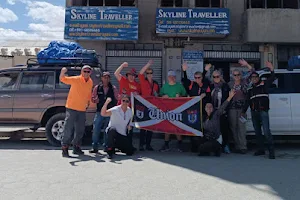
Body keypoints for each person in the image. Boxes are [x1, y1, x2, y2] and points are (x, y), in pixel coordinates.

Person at [242, 61, 276, 159]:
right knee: (257, 132)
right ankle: (261, 150)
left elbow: (272, 78)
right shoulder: (250, 89)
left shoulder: (264, 85)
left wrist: (271, 69)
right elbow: (248, 101)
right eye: (252, 78)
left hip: (263, 111)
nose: (254, 79)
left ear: (259, 78)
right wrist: (243, 112)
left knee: (266, 131)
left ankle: (271, 151)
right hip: (254, 112)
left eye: (256, 77)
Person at [60, 65, 93, 157]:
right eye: (84, 71)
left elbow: (88, 94)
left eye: (88, 71)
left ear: (90, 73)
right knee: (68, 128)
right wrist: (63, 71)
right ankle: (65, 148)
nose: (86, 73)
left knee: (80, 130)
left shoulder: (90, 82)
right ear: (81, 72)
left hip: (82, 109)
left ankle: (76, 147)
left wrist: (88, 103)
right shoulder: (76, 79)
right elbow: (62, 79)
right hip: (71, 108)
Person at [181, 62, 211, 152]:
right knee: (193, 128)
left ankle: (202, 146)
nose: (197, 79)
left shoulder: (206, 85)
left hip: (203, 111)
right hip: (193, 111)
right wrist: (184, 71)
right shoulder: (191, 84)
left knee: (203, 128)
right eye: (195, 77)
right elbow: (185, 81)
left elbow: (209, 97)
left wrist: (205, 94)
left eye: (199, 77)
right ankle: (193, 147)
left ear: (202, 78)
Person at [198, 90, 236, 157]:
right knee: (199, 145)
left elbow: (223, 106)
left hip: (216, 138)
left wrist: (230, 97)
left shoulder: (216, 114)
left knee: (207, 145)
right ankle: (207, 151)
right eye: (207, 107)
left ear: (213, 108)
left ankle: (217, 149)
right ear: (205, 109)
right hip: (207, 137)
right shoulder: (203, 118)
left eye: (211, 107)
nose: (209, 108)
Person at [227, 59, 254, 154]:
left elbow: (252, 73)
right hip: (232, 109)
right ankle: (237, 146)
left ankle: (243, 147)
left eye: (238, 74)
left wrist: (247, 64)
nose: (237, 76)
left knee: (242, 128)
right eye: (235, 75)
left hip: (242, 109)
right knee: (233, 128)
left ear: (241, 75)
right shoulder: (229, 84)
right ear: (232, 76)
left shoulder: (244, 82)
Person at [204, 65, 231, 154]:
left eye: (218, 76)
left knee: (224, 128)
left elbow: (229, 98)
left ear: (221, 77)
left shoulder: (225, 86)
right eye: (214, 76)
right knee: (214, 129)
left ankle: (225, 145)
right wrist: (205, 70)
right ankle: (215, 145)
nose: (216, 78)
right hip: (212, 111)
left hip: (222, 110)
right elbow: (203, 81)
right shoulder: (210, 86)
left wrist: (226, 109)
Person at [89, 72, 118, 154]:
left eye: (108, 77)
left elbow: (117, 98)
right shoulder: (97, 88)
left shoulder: (113, 88)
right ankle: (94, 147)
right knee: (96, 129)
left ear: (109, 79)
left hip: (109, 112)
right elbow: (93, 98)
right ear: (101, 78)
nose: (106, 79)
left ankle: (106, 146)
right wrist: (95, 99)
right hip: (99, 112)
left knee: (107, 130)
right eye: (104, 77)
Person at [114, 62, 140, 151]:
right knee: (118, 127)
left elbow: (140, 98)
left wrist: (137, 95)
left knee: (129, 128)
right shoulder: (123, 80)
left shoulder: (137, 85)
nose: (131, 76)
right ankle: (117, 146)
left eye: (133, 75)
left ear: (135, 76)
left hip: (131, 110)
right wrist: (122, 66)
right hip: (120, 108)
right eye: (129, 74)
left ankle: (129, 145)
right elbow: (116, 73)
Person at [159, 70, 187, 152]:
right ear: (168, 77)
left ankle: (180, 144)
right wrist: (163, 96)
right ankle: (166, 144)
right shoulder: (164, 86)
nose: (172, 78)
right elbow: (159, 97)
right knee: (167, 128)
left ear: (175, 77)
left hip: (178, 110)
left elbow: (186, 96)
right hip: (167, 110)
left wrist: (180, 96)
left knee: (177, 127)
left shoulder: (180, 86)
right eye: (170, 76)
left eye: (173, 76)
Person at [101, 95, 134, 159]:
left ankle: (117, 147)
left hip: (122, 135)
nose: (125, 102)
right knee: (112, 130)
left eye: (127, 101)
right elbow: (103, 114)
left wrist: (129, 126)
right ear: (121, 101)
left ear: (129, 102)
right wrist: (106, 103)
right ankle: (109, 151)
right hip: (113, 133)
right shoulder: (115, 109)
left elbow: (130, 123)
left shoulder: (130, 111)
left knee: (130, 152)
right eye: (123, 100)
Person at [138, 60, 160, 151]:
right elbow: (140, 73)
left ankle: (148, 144)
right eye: (148, 73)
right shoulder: (143, 81)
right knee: (143, 126)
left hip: (152, 107)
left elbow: (158, 95)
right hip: (143, 106)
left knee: (150, 127)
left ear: (153, 74)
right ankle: (141, 145)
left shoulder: (155, 84)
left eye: (151, 73)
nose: (149, 74)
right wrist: (148, 64)